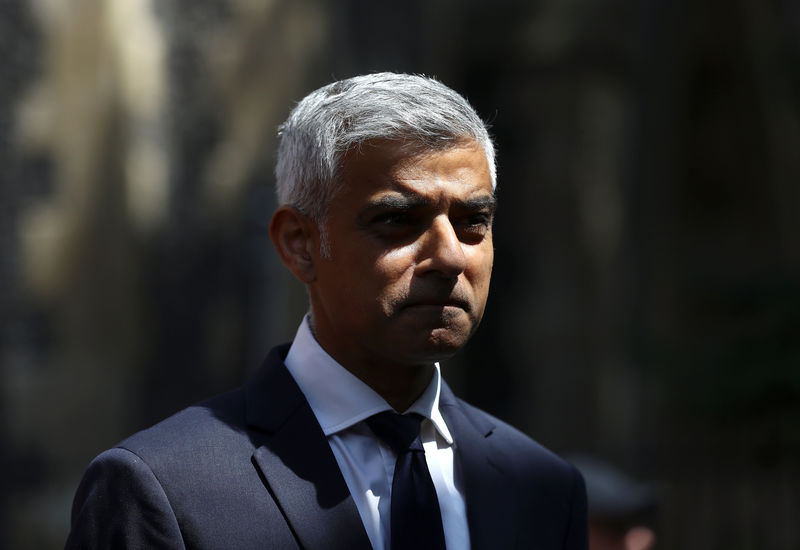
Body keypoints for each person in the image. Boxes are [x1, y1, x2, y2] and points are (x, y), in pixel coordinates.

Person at [66, 72, 588, 549]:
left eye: (474, 220)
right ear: (299, 243)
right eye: (399, 220)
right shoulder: (162, 489)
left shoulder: (543, 489)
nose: (450, 255)